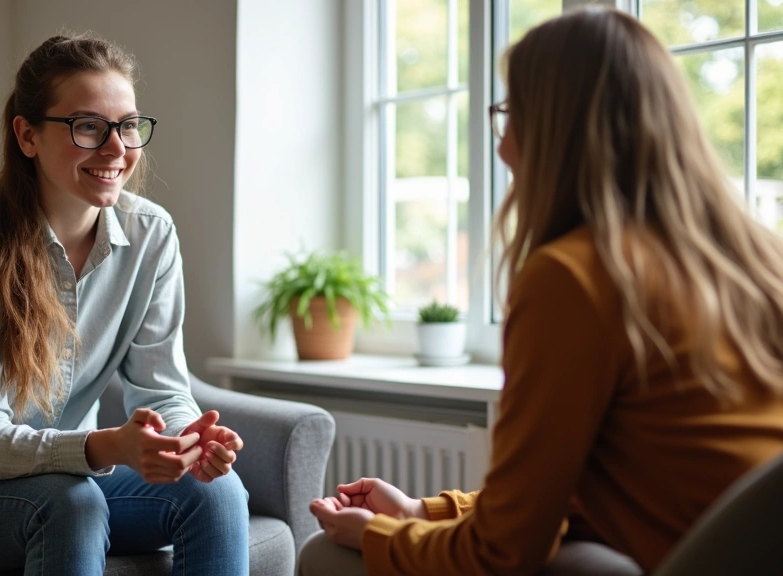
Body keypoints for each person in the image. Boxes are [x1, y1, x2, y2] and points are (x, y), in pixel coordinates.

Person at [298, 7, 783, 576]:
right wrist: (422, 512)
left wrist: (383, 535)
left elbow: (502, 552)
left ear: (550, 129)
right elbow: (596, 492)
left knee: (325, 554)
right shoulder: (752, 259)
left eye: (509, 115)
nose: (502, 148)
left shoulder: (575, 276)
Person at [0, 33, 248, 575]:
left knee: (218, 493)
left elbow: (162, 390)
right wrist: (107, 445)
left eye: (128, 125)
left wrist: (190, 439)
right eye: (88, 126)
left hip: (58, 481)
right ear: (27, 135)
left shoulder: (152, 236)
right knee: (71, 504)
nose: (117, 148)